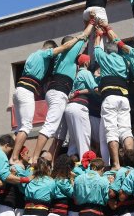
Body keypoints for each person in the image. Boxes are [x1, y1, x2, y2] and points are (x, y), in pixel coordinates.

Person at [11, 36, 89, 164]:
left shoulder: (32, 55)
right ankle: (28, 158)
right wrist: (84, 33)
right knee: (30, 127)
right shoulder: (44, 54)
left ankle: (14, 155)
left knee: (21, 128)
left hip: (20, 90)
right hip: (29, 91)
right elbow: (64, 47)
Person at [32, 27, 92, 162]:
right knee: (50, 126)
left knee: (61, 131)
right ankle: (34, 158)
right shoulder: (68, 53)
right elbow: (84, 36)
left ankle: (52, 161)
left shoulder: (59, 57)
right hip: (58, 93)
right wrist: (91, 23)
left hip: (56, 93)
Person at [94, 24, 134, 169]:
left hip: (110, 97)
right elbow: (119, 43)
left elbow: (96, 48)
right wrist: (109, 32)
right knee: (126, 130)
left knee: (112, 132)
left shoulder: (103, 57)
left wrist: (98, 35)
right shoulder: (124, 60)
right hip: (124, 98)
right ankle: (131, 163)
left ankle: (116, 164)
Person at [64, 55, 98, 160]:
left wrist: (79, 91)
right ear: (86, 63)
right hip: (79, 107)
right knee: (84, 138)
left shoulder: (76, 74)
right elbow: (95, 89)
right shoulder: (86, 73)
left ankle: (69, 166)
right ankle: (86, 167)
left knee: (73, 142)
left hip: (69, 108)